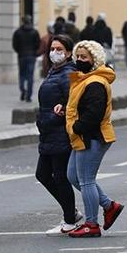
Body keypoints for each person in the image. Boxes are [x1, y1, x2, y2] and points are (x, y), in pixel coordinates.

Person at [63, 40, 123, 238]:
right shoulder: (83, 79)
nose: (79, 60)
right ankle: (109, 206)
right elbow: (80, 106)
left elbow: (94, 113)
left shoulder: (95, 81)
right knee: (73, 176)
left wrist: (76, 127)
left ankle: (91, 223)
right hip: (82, 136)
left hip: (93, 136)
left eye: (84, 57)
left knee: (86, 180)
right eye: (77, 56)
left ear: (94, 60)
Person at [36, 35, 83, 236]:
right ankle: (71, 213)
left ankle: (70, 220)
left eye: (59, 49)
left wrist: (62, 109)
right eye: (52, 48)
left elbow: (75, 100)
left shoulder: (69, 73)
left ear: (69, 53)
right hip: (48, 131)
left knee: (60, 177)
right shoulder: (55, 71)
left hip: (60, 132)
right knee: (43, 174)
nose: (55, 52)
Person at [13, 16, 42, 102]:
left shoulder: (17, 32)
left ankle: (22, 90)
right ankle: (28, 96)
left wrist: (19, 51)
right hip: (31, 56)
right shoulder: (34, 32)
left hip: (21, 55)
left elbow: (15, 45)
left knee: (22, 74)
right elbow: (38, 44)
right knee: (30, 76)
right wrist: (34, 51)